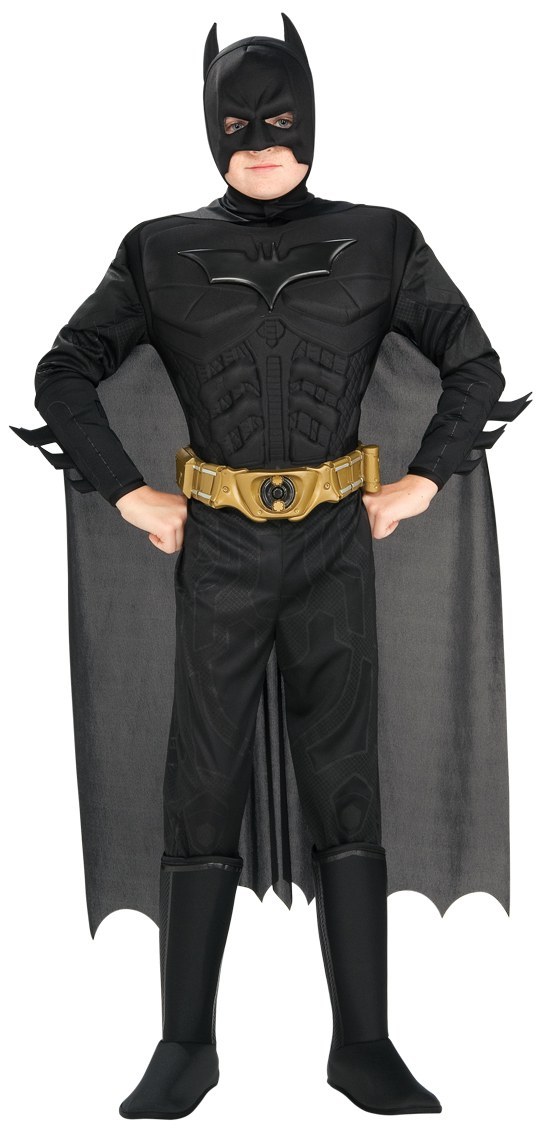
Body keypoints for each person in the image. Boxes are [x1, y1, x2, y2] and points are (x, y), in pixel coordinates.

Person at [9, 11, 531, 1121]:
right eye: (237, 122)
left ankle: (364, 1046)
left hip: (335, 544)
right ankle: (184, 1047)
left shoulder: (380, 237)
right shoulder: (158, 249)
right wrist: (130, 491)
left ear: (314, 120)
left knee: (348, 780)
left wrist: (423, 479)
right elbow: (64, 372)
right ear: (209, 128)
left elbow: (474, 364)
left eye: (280, 118)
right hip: (221, 551)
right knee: (199, 783)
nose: (259, 141)